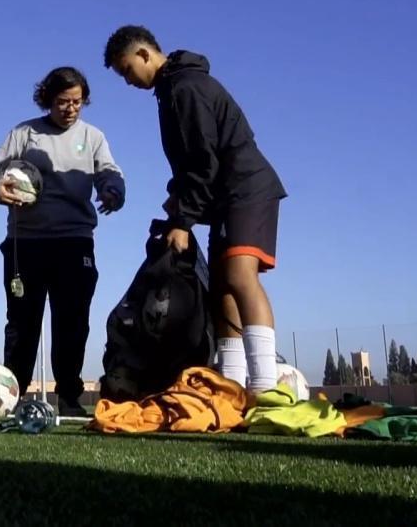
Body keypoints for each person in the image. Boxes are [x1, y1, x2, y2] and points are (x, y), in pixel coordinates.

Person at [104, 25, 286, 395]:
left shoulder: (185, 87)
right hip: (222, 197)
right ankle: (231, 387)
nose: (127, 80)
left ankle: (265, 388)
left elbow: (205, 161)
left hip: (245, 189)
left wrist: (182, 220)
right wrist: (178, 198)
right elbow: (192, 164)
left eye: (126, 70)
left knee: (239, 276)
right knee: (220, 287)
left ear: (144, 54)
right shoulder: (170, 90)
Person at [0, 67, 125, 416]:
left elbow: (110, 172)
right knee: (22, 321)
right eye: (63, 101)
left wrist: (113, 191)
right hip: (26, 243)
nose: (70, 108)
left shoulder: (93, 136)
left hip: (74, 242)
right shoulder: (23, 134)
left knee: (73, 321)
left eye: (77, 102)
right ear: (48, 100)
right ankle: (13, 395)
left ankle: (69, 396)